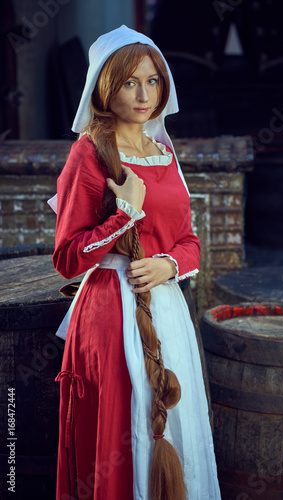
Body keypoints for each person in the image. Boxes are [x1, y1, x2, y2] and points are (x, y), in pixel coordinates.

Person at [49, 25, 221, 500]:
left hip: (166, 314)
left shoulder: (165, 152)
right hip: (110, 317)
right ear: (106, 86)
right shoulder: (88, 154)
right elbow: (67, 257)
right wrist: (124, 213)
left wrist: (169, 265)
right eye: (130, 82)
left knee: (173, 424)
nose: (144, 94)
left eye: (153, 81)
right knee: (124, 431)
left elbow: (189, 242)